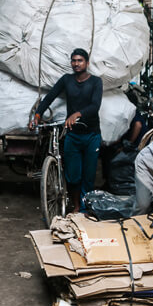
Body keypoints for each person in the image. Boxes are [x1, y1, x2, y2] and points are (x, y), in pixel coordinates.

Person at [31, 48, 103, 211]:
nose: (76, 64)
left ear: (87, 63)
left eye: (80, 60)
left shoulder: (96, 82)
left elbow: (95, 106)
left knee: (89, 176)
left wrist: (77, 114)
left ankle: (86, 208)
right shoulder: (67, 80)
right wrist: (37, 115)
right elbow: (50, 97)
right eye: (74, 60)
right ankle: (77, 206)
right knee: (73, 175)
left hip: (92, 135)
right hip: (73, 135)